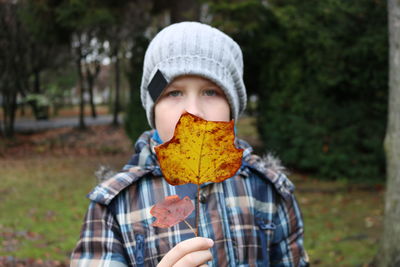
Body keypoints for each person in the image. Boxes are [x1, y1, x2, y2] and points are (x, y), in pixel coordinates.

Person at [71, 21, 309, 267]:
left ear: (232, 109)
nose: (193, 112)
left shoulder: (268, 190)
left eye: (210, 92)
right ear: (153, 111)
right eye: (174, 93)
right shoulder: (113, 203)